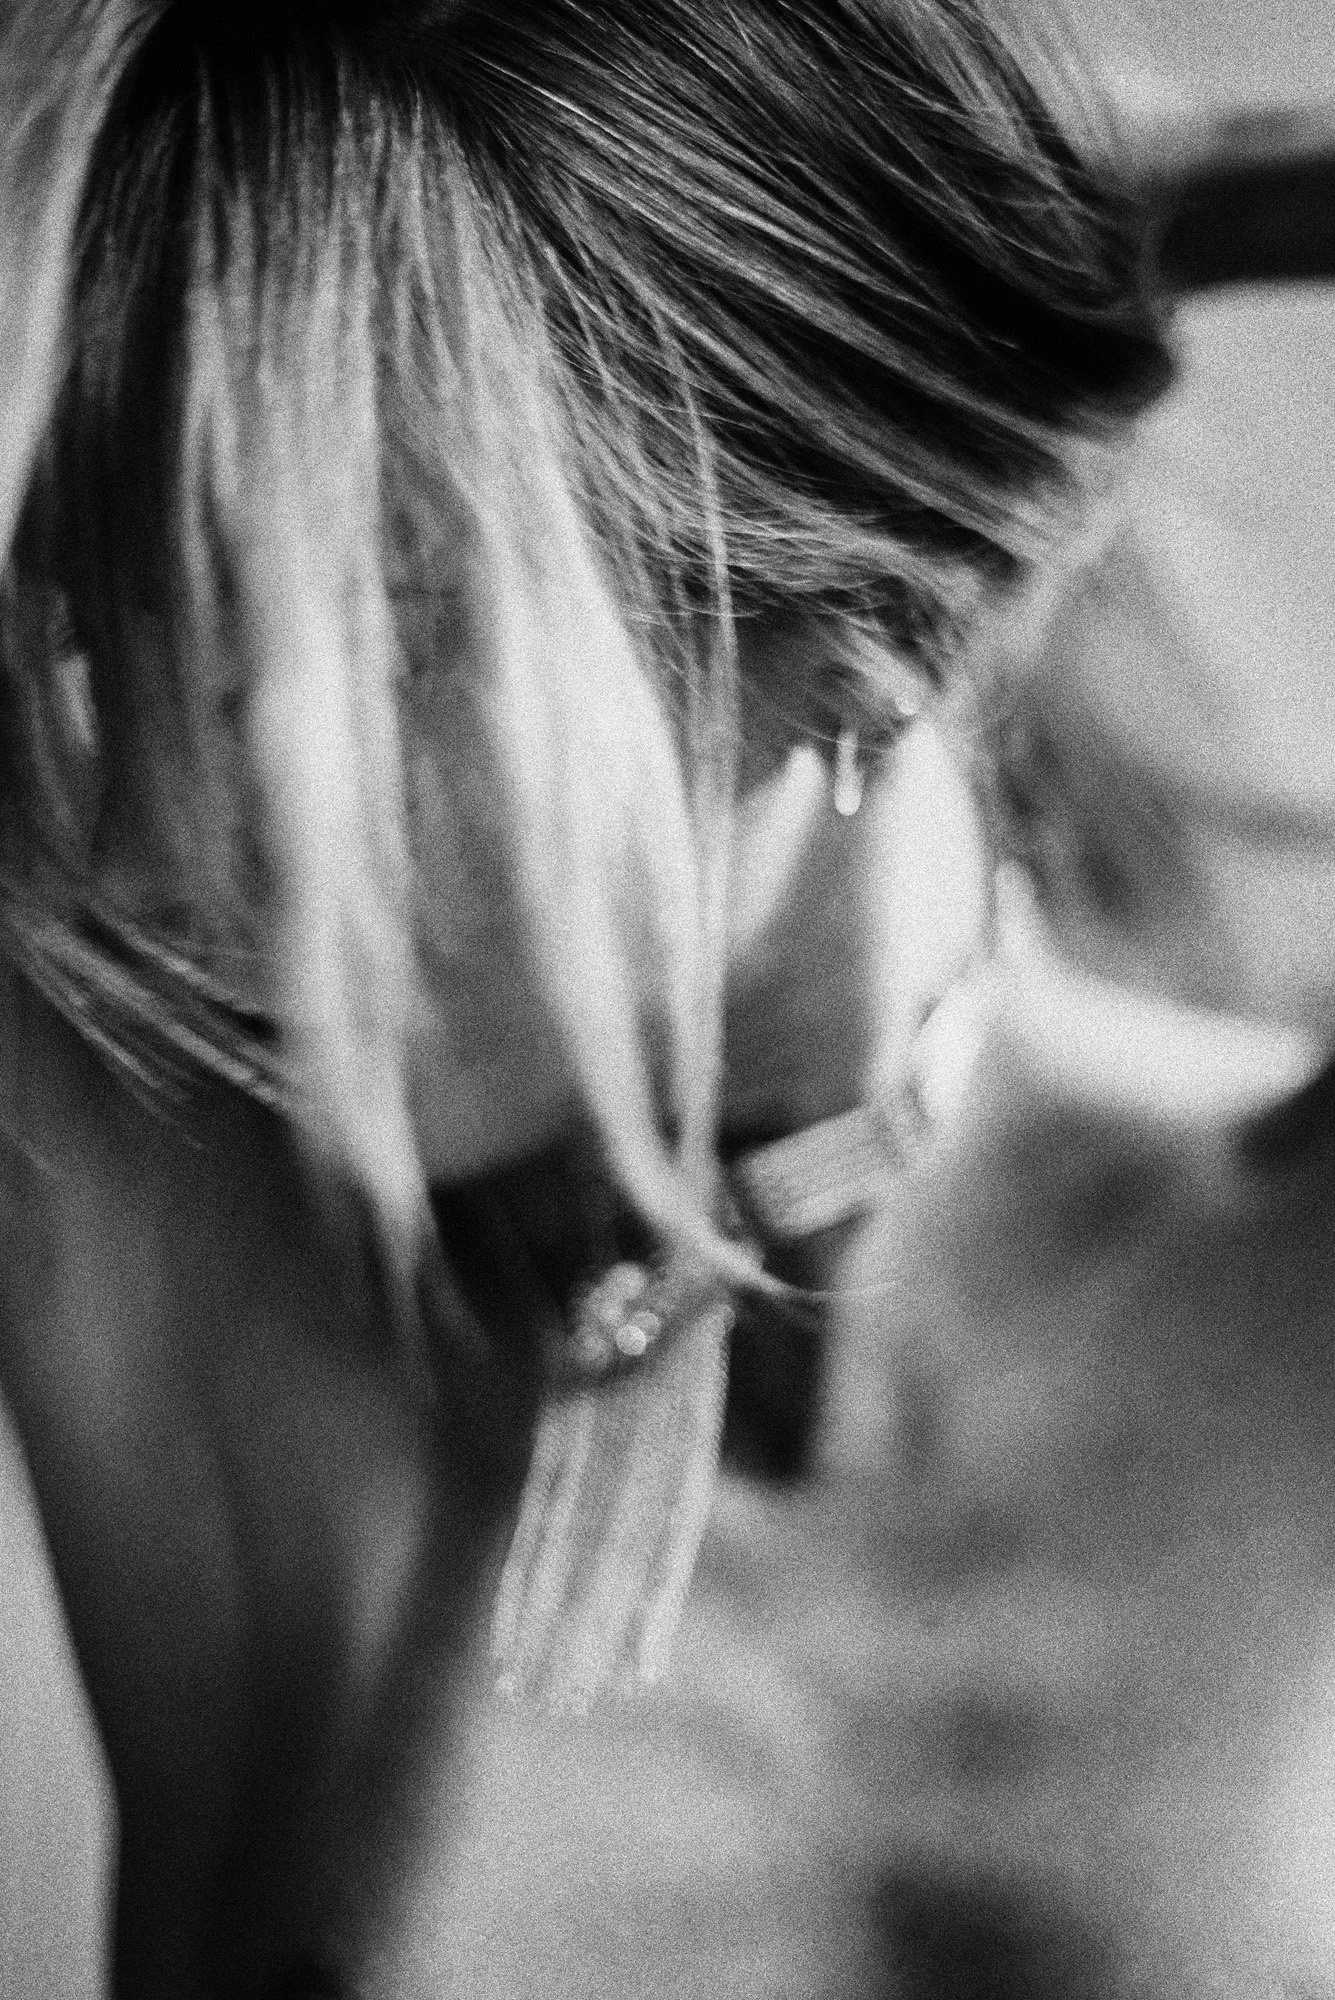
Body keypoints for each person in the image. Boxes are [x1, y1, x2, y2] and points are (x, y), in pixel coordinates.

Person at [0, 1, 1170, 1993]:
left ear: (875, 633)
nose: (152, 865)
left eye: (352, 644)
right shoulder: (172, 1216)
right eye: (129, 645)